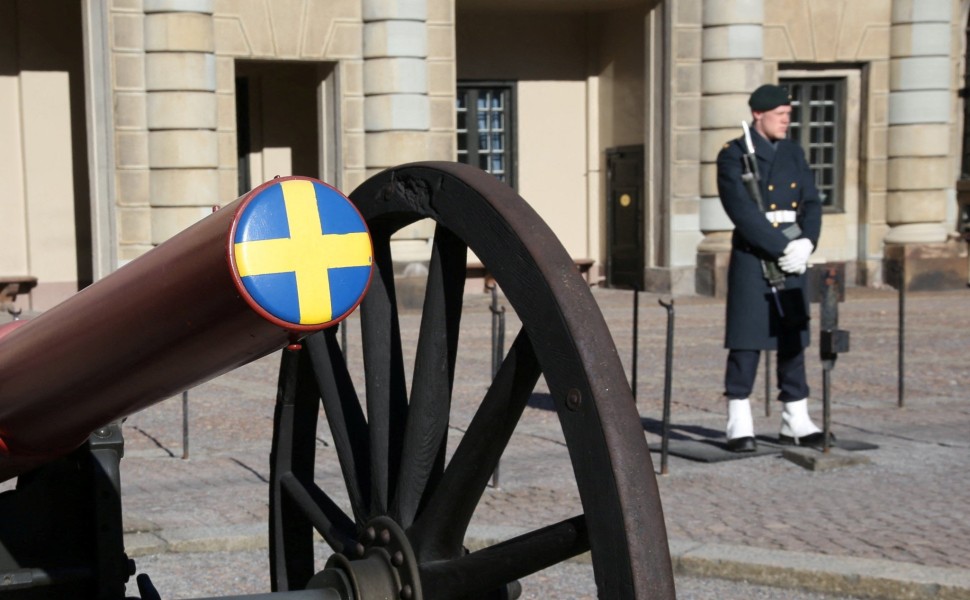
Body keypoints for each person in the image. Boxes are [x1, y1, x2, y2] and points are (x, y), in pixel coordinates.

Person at [715, 84, 826, 452]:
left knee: (793, 339)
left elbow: (811, 201)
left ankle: (796, 419)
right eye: (781, 115)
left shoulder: (793, 153)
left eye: (789, 115)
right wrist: (781, 248)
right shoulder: (733, 155)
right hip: (754, 256)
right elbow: (742, 211)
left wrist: (807, 242)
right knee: (747, 342)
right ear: (758, 114)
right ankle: (739, 423)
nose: (786, 121)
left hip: (794, 253)